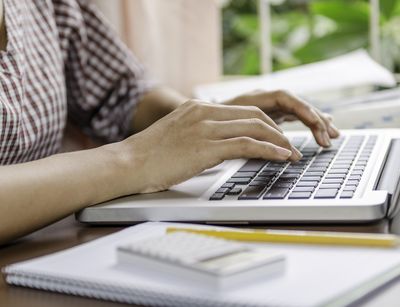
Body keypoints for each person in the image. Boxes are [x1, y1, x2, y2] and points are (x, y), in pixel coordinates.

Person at [0, 0, 339, 244]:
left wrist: (206, 119)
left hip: (42, 247)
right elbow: (133, 154)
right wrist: (135, 160)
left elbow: (120, 93)